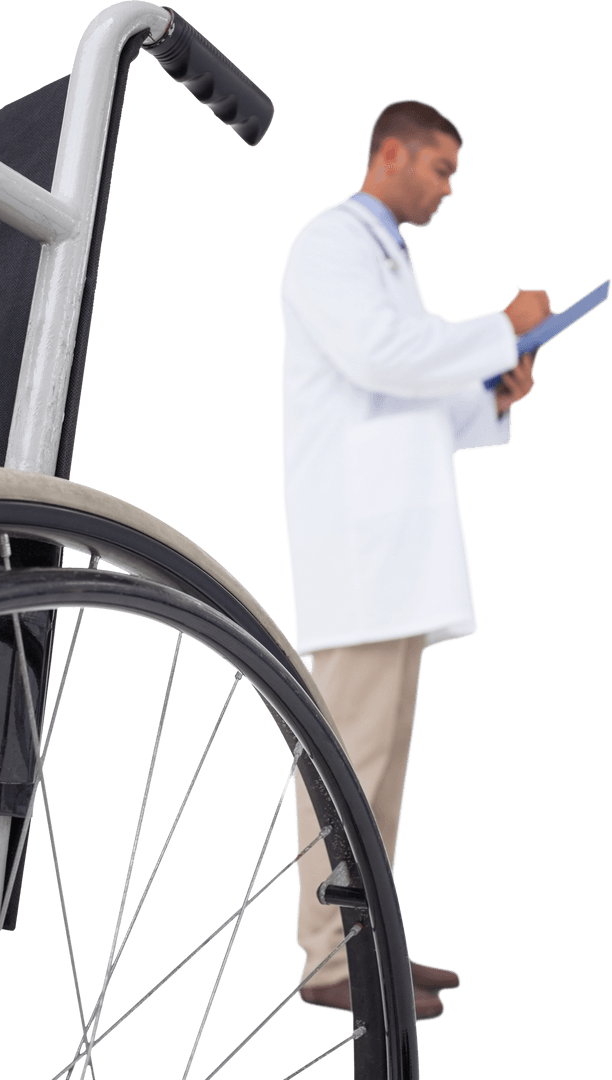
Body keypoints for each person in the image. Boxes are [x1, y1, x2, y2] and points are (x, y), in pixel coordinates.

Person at [280, 99, 550, 1021]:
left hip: (390, 557)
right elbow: (381, 356)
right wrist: (498, 325)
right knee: (344, 757)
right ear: (388, 153)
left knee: (380, 766)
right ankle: (326, 957)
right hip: (357, 550)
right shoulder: (329, 242)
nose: (446, 192)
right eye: (439, 171)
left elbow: (411, 398)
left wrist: (496, 392)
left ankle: (369, 945)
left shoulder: (389, 255)